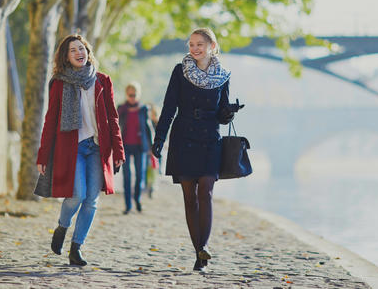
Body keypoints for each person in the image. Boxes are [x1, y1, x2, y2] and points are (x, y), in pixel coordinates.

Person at [151, 28, 240, 271]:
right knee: (190, 198)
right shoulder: (180, 72)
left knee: (207, 191)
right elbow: (169, 107)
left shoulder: (223, 75)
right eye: (191, 44)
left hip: (211, 138)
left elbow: (222, 114)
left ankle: (204, 247)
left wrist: (229, 112)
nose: (195, 48)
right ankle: (198, 252)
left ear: (212, 45)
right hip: (184, 137)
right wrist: (159, 139)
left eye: (200, 44)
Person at [35, 34, 125, 266]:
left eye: (81, 48)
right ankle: (62, 227)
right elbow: (51, 119)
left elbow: (113, 119)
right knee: (77, 195)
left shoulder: (102, 81)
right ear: (66, 57)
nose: (79, 53)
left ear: (88, 52)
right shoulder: (59, 82)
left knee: (91, 201)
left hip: (97, 148)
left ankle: (76, 248)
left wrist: (119, 150)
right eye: (73, 50)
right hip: (72, 148)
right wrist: (43, 154)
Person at [117, 82, 154, 214]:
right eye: (130, 94)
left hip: (140, 147)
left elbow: (148, 128)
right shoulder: (121, 109)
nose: (132, 97)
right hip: (125, 147)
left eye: (135, 95)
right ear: (126, 94)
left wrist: (151, 147)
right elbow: (116, 127)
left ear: (138, 95)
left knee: (140, 176)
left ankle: (137, 200)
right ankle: (128, 205)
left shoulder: (143, 109)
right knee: (127, 176)